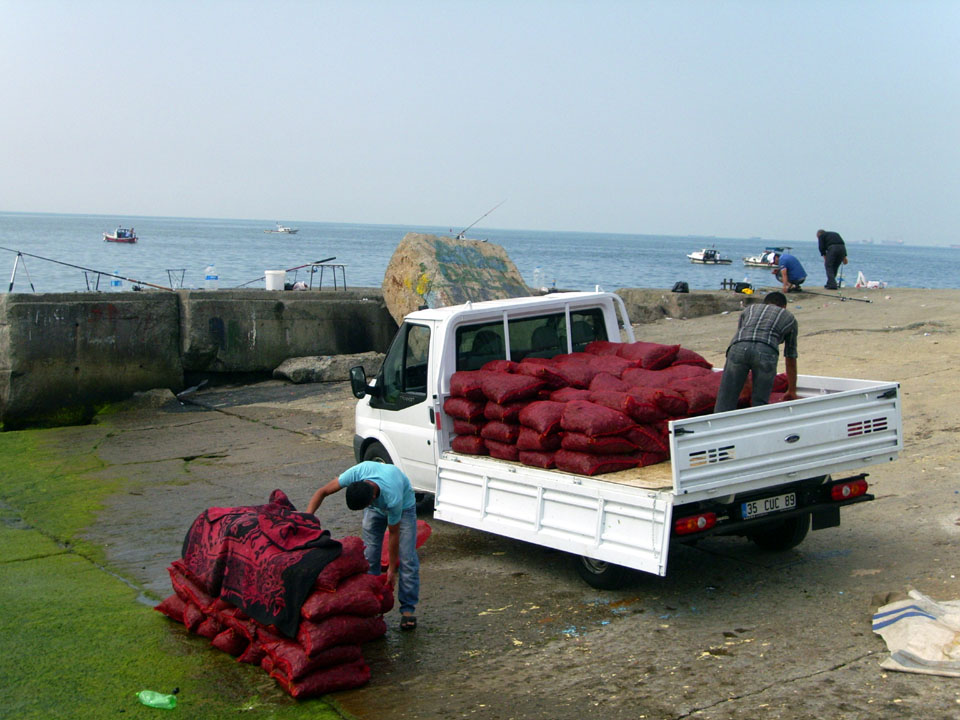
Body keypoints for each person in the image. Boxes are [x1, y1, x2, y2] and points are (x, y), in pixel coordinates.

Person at [307, 461, 420, 630]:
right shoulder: (357, 473)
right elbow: (322, 492)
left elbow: (394, 534)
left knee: (407, 559)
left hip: (404, 508)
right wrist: (306, 519)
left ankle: (407, 610)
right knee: (369, 555)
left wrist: (391, 569)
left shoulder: (393, 497)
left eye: (366, 506)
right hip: (376, 507)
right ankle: (372, 604)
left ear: (372, 498)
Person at [714, 291, 799, 413]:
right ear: (784, 307)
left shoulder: (750, 309)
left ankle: (717, 427)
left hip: (738, 348)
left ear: (764, 303)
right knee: (760, 402)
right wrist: (792, 390)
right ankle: (756, 426)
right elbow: (790, 358)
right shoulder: (790, 318)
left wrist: (745, 382)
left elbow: (741, 339)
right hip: (766, 351)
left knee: (725, 399)